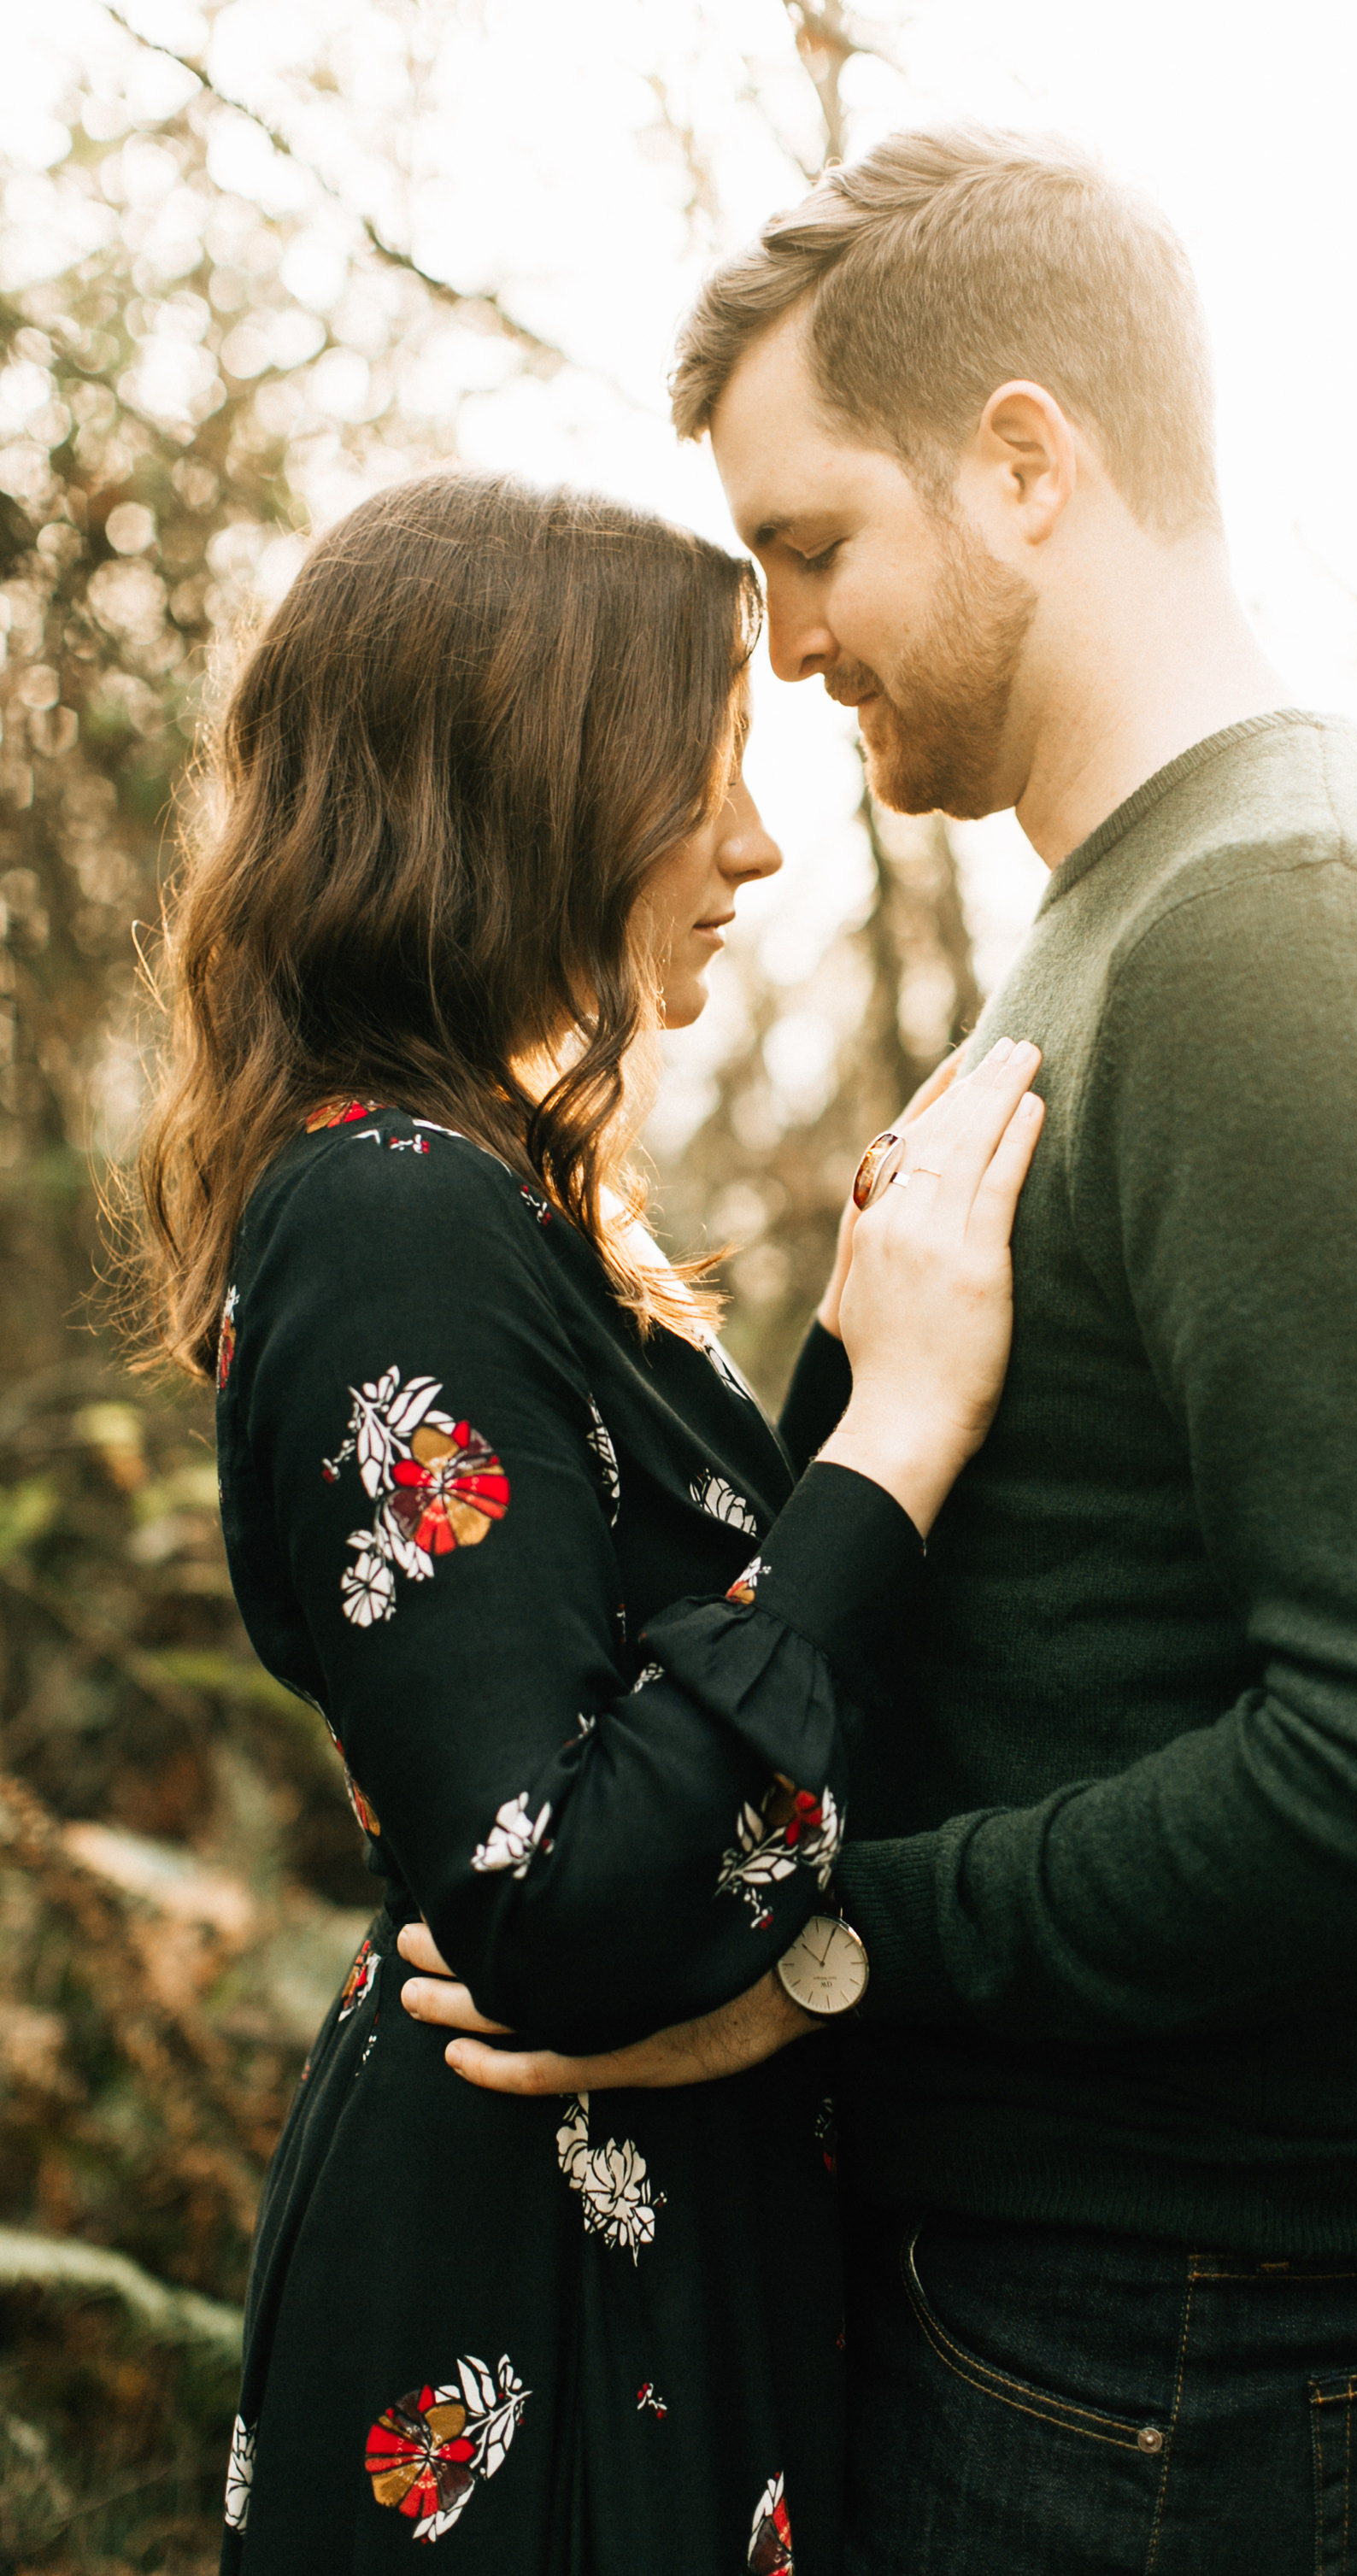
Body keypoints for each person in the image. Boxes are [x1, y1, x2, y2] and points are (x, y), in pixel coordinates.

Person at [415, 131, 1357, 2573]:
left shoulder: (1283, 942)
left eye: (811, 545)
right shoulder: (1142, 910)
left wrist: (831, 1965)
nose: (784, 642)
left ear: (1029, 462)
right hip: (1119, 2272)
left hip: (1193, 2314)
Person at [135, 466, 1043, 2572]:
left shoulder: (494, 1194)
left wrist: (846, 1370)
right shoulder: (390, 1216)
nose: (757, 840)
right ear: (522, 793)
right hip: (529, 2307)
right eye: (698, 773)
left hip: (645, 2247)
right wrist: (890, 1436)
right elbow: (552, 1902)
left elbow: (670, 1639)